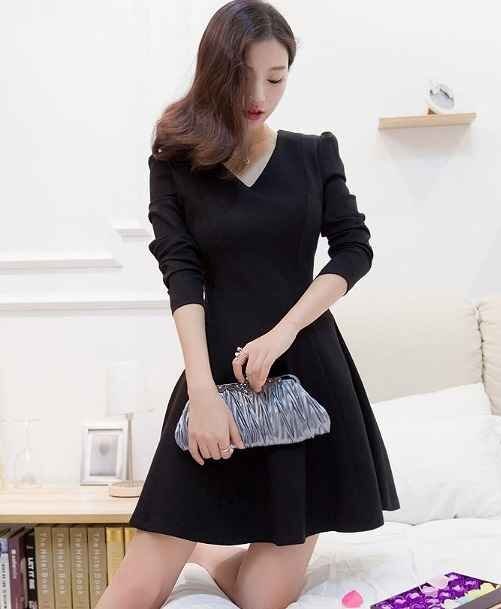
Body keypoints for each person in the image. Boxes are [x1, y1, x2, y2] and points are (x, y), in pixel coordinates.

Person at [96, 1, 400, 608]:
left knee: (265, 597)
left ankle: (210, 556)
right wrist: (203, 393)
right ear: (216, 73)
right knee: (137, 587)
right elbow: (181, 275)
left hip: (307, 376)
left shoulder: (314, 154)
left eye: (276, 78)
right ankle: (197, 543)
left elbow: (354, 249)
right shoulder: (176, 162)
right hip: (215, 375)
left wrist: (283, 332)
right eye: (244, 77)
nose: (260, 96)